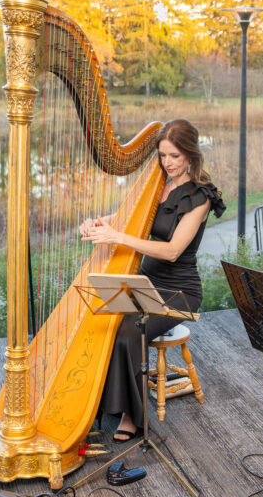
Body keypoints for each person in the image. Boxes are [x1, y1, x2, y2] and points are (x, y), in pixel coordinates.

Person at [80, 118, 225, 442]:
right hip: (146, 280)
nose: (168, 163)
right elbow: (122, 220)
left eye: (175, 156)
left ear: (190, 154)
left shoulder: (200, 198)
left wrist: (119, 236)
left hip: (180, 290)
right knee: (107, 324)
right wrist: (96, 223)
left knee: (131, 333)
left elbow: (173, 251)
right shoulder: (155, 186)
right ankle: (91, 406)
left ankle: (132, 417)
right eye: (162, 156)